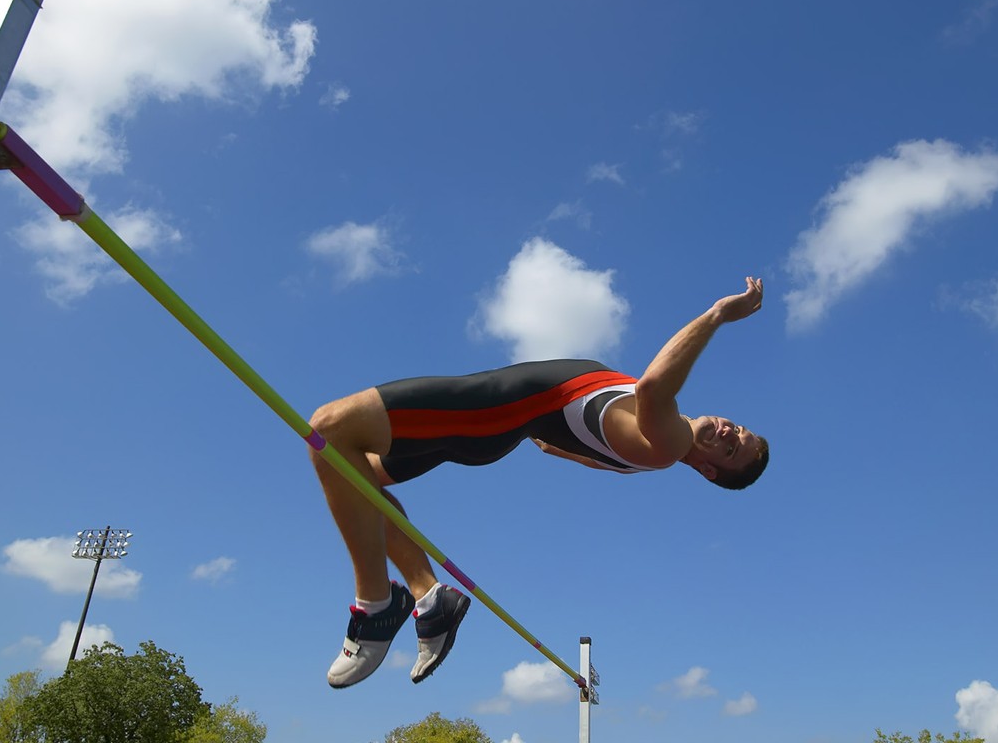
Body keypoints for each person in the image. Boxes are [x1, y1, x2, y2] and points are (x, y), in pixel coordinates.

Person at [308, 276, 770, 688]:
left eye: (731, 450)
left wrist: (717, 316)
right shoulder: (650, 451)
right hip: (501, 421)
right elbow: (584, 454)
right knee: (353, 477)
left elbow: (653, 387)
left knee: (330, 430)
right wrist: (549, 441)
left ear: (708, 470)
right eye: (739, 430)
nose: (729, 433)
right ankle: (430, 598)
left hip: (494, 411)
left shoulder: (669, 444)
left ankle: (375, 606)